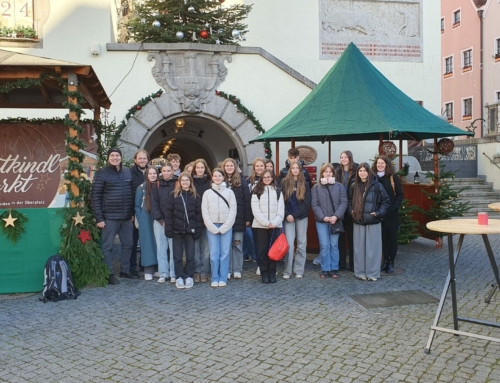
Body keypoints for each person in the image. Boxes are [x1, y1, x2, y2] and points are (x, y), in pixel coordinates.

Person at [91, 148, 137, 284]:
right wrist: (99, 218)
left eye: (117, 155)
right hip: (109, 217)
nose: (115, 158)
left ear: (121, 157)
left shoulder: (128, 172)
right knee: (107, 247)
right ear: (108, 158)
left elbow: (132, 193)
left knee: (128, 244)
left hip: (126, 217)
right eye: (112, 155)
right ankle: (108, 273)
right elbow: (95, 196)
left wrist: (132, 213)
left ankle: (125, 270)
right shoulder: (102, 173)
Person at [348, 162, 390, 281]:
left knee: (373, 248)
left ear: (368, 172)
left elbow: (386, 201)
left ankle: (372, 273)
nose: (362, 173)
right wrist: (351, 211)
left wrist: (378, 213)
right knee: (359, 248)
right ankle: (360, 272)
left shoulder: (377, 185)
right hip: (358, 220)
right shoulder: (353, 186)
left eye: (364, 171)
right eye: (360, 171)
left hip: (373, 220)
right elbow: (349, 201)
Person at [165, 172, 202, 289]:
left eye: (187, 180)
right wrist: (169, 229)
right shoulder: (173, 195)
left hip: (190, 231)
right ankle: (179, 277)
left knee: (191, 255)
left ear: (190, 182)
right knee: (177, 256)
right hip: (177, 230)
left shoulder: (195, 196)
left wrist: (197, 229)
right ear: (179, 182)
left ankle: (189, 276)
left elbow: (198, 215)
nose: (185, 182)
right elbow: (168, 213)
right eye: (183, 180)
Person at [311, 163, 348, 279]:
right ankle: (325, 269)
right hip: (322, 221)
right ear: (322, 173)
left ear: (333, 173)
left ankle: (334, 268)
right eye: (325, 172)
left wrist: (336, 216)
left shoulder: (339, 186)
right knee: (324, 245)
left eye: (330, 172)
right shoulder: (316, 188)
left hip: (335, 221)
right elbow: (314, 204)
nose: (328, 174)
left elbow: (344, 202)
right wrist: (323, 217)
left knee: (334, 245)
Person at [202, 168, 237, 287]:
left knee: (225, 252)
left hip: (226, 225)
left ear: (223, 178)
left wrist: (226, 226)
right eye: (215, 176)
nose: (217, 178)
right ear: (212, 178)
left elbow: (233, 210)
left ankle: (223, 277)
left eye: (219, 176)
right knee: (213, 253)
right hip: (212, 225)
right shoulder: (207, 193)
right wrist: (211, 226)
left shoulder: (229, 192)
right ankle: (214, 277)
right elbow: (204, 211)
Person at [251, 170, 285, 283]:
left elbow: (281, 210)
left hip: (275, 226)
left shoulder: (278, 191)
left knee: (274, 250)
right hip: (260, 226)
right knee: (262, 251)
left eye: (269, 177)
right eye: (264, 177)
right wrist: (266, 223)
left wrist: (274, 223)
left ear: (272, 178)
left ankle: (272, 272)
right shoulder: (256, 191)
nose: (267, 179)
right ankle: (264, 273)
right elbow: (256, 210)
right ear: (261, 178)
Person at [372, 155, 404, 274]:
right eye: (378, 163)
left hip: (391, 213)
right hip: (380, 213)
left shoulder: (392, 177)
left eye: (382, 163)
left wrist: (394, 207)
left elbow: (400, 194)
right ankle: (385, 261)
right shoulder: (374, 178)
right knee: (383, 239)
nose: (380, 165)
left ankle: (391, 262)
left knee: (392, 238)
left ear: (387, 165)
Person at [222, 158, 252, 280]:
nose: (229, 167)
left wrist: (247, 218)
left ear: (235, 167)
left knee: (237, 244)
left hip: (239, 218)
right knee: (226, 246)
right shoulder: (220, 180)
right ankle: (227, 269)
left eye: (231, 165)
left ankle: (237, 269)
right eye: (227, 165)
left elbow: (247, 200)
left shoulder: (242, 181)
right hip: (224, 219)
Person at [281, 162, 311, 279]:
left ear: (300, 170)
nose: (294, 170)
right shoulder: (284, 183)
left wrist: (294, 215)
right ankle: (287, 271)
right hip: (288, 217)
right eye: (292, 168)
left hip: (301, 217)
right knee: (289, 245)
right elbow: (281, 202)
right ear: (290, 170)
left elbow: (306, 204)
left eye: (297, 168)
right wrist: (288, 214)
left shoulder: (305, 184)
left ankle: (299, 270)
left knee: (301, 244)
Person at [150, 162, 178, 283]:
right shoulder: (156, 185)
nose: (166, 173)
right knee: (161, 248)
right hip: (159, 221)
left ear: (172, 171)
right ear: (161, 172)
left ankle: (173, 273)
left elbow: (179, 203)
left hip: (174, 221)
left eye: (168, 171)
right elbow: (153, 204)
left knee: (173, 248)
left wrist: (171, 220)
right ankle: (163, 273)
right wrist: (160, 219)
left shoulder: (177, 183)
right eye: (164, 171)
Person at [335, 150, 359, 271]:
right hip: (340, 207)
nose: (343, 159)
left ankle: (353, 264)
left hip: (351, 206)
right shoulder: (337, 171)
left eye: (345, 157)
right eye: (341, 157)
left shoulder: (356, 170)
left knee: (352, 237)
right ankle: (341, 263)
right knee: (340, 236)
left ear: (350, 158)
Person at [135, 166, 158, 280]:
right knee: (147, 244)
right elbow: (137, 205)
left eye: (154, 173)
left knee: (158, 243)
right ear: (147, 175)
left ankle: (158, 268)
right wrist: (140, 219)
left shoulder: (160, 186)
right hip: (146, 218)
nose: (152, 175)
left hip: (158, 217)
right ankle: (148, 269)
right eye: (150, 174)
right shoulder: (141, 188)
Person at [191, 158, 212, 283]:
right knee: (194, 247)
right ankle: (196, 271)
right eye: (197, 168)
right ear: (194, 169)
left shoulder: (210, 182)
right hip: (194, 219)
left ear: (205, 169)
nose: (199, 170)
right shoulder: (190, 182)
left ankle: (204, 271)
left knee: (206, 248)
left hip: (207, 220)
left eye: (202, 168)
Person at [130, 149, 149, 277]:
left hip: (148, 213)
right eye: (140, 158)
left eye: (144, 158)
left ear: (148, 160)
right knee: (132, 240)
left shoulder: (152, 172)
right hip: (134, 212)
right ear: (135, 160)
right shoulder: (129, 173)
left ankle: (145, 265)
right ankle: (131, 267)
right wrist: (131, 213)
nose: (142, 160)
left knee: (146, 240)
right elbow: (128, 193)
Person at [245, 157, 267, 271]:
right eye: (257, 166)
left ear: (265, 167)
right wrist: (248, 217)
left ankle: (267, 264)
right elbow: (246, 199)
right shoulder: (248, 181)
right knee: (256, 242)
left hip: (267, 216)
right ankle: (259, 264)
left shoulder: (269, 179)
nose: (259, 168)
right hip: (253, 216)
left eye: (261, 166)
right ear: (254, 167)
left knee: (266, 242)